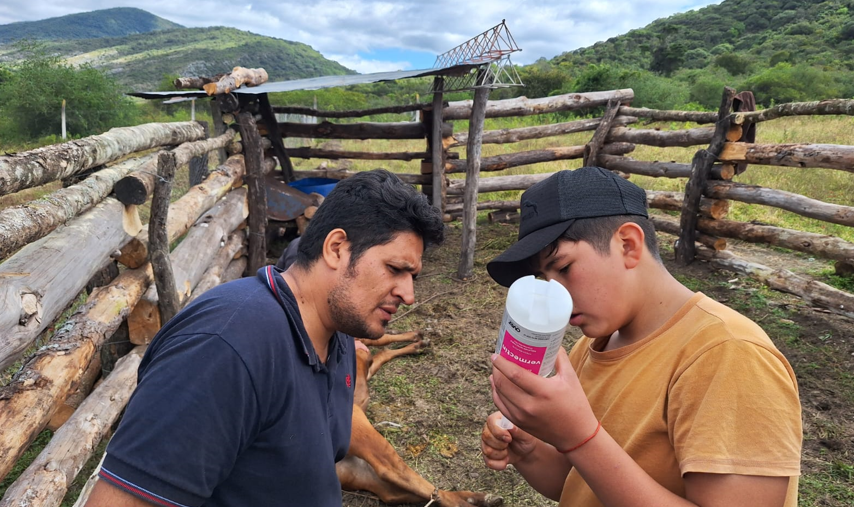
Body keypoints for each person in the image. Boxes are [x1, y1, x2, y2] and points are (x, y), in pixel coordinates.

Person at [84, 169, 444, 507]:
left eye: (412, 277)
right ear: (336, 248)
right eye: (395, 269)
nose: (409, 295)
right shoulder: (223, 347)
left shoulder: (338, 337)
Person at [480, 167, 802, 507]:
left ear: (628, 245)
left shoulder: (729, 354)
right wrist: (531, 451)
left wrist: (580, 437)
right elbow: (580, 483)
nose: (555, 297)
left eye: (563, 268)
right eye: (543, 279)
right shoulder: (591, 347)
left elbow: (586, 449)